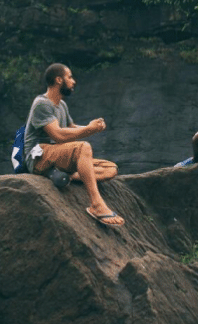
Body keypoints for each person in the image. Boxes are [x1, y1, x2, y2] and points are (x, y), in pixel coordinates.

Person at [24, 63, 124, 226]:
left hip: (58, 155)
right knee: (83, 147)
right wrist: (89, 131)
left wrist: (92, 127)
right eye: (69, 77)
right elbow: (57, 135)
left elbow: (71, 128)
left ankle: (66, 176)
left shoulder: (61, 105)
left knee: (111, 169)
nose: (73, 81)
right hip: (39, 155)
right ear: (58, 80)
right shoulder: (42, 103)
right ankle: (97, 205)